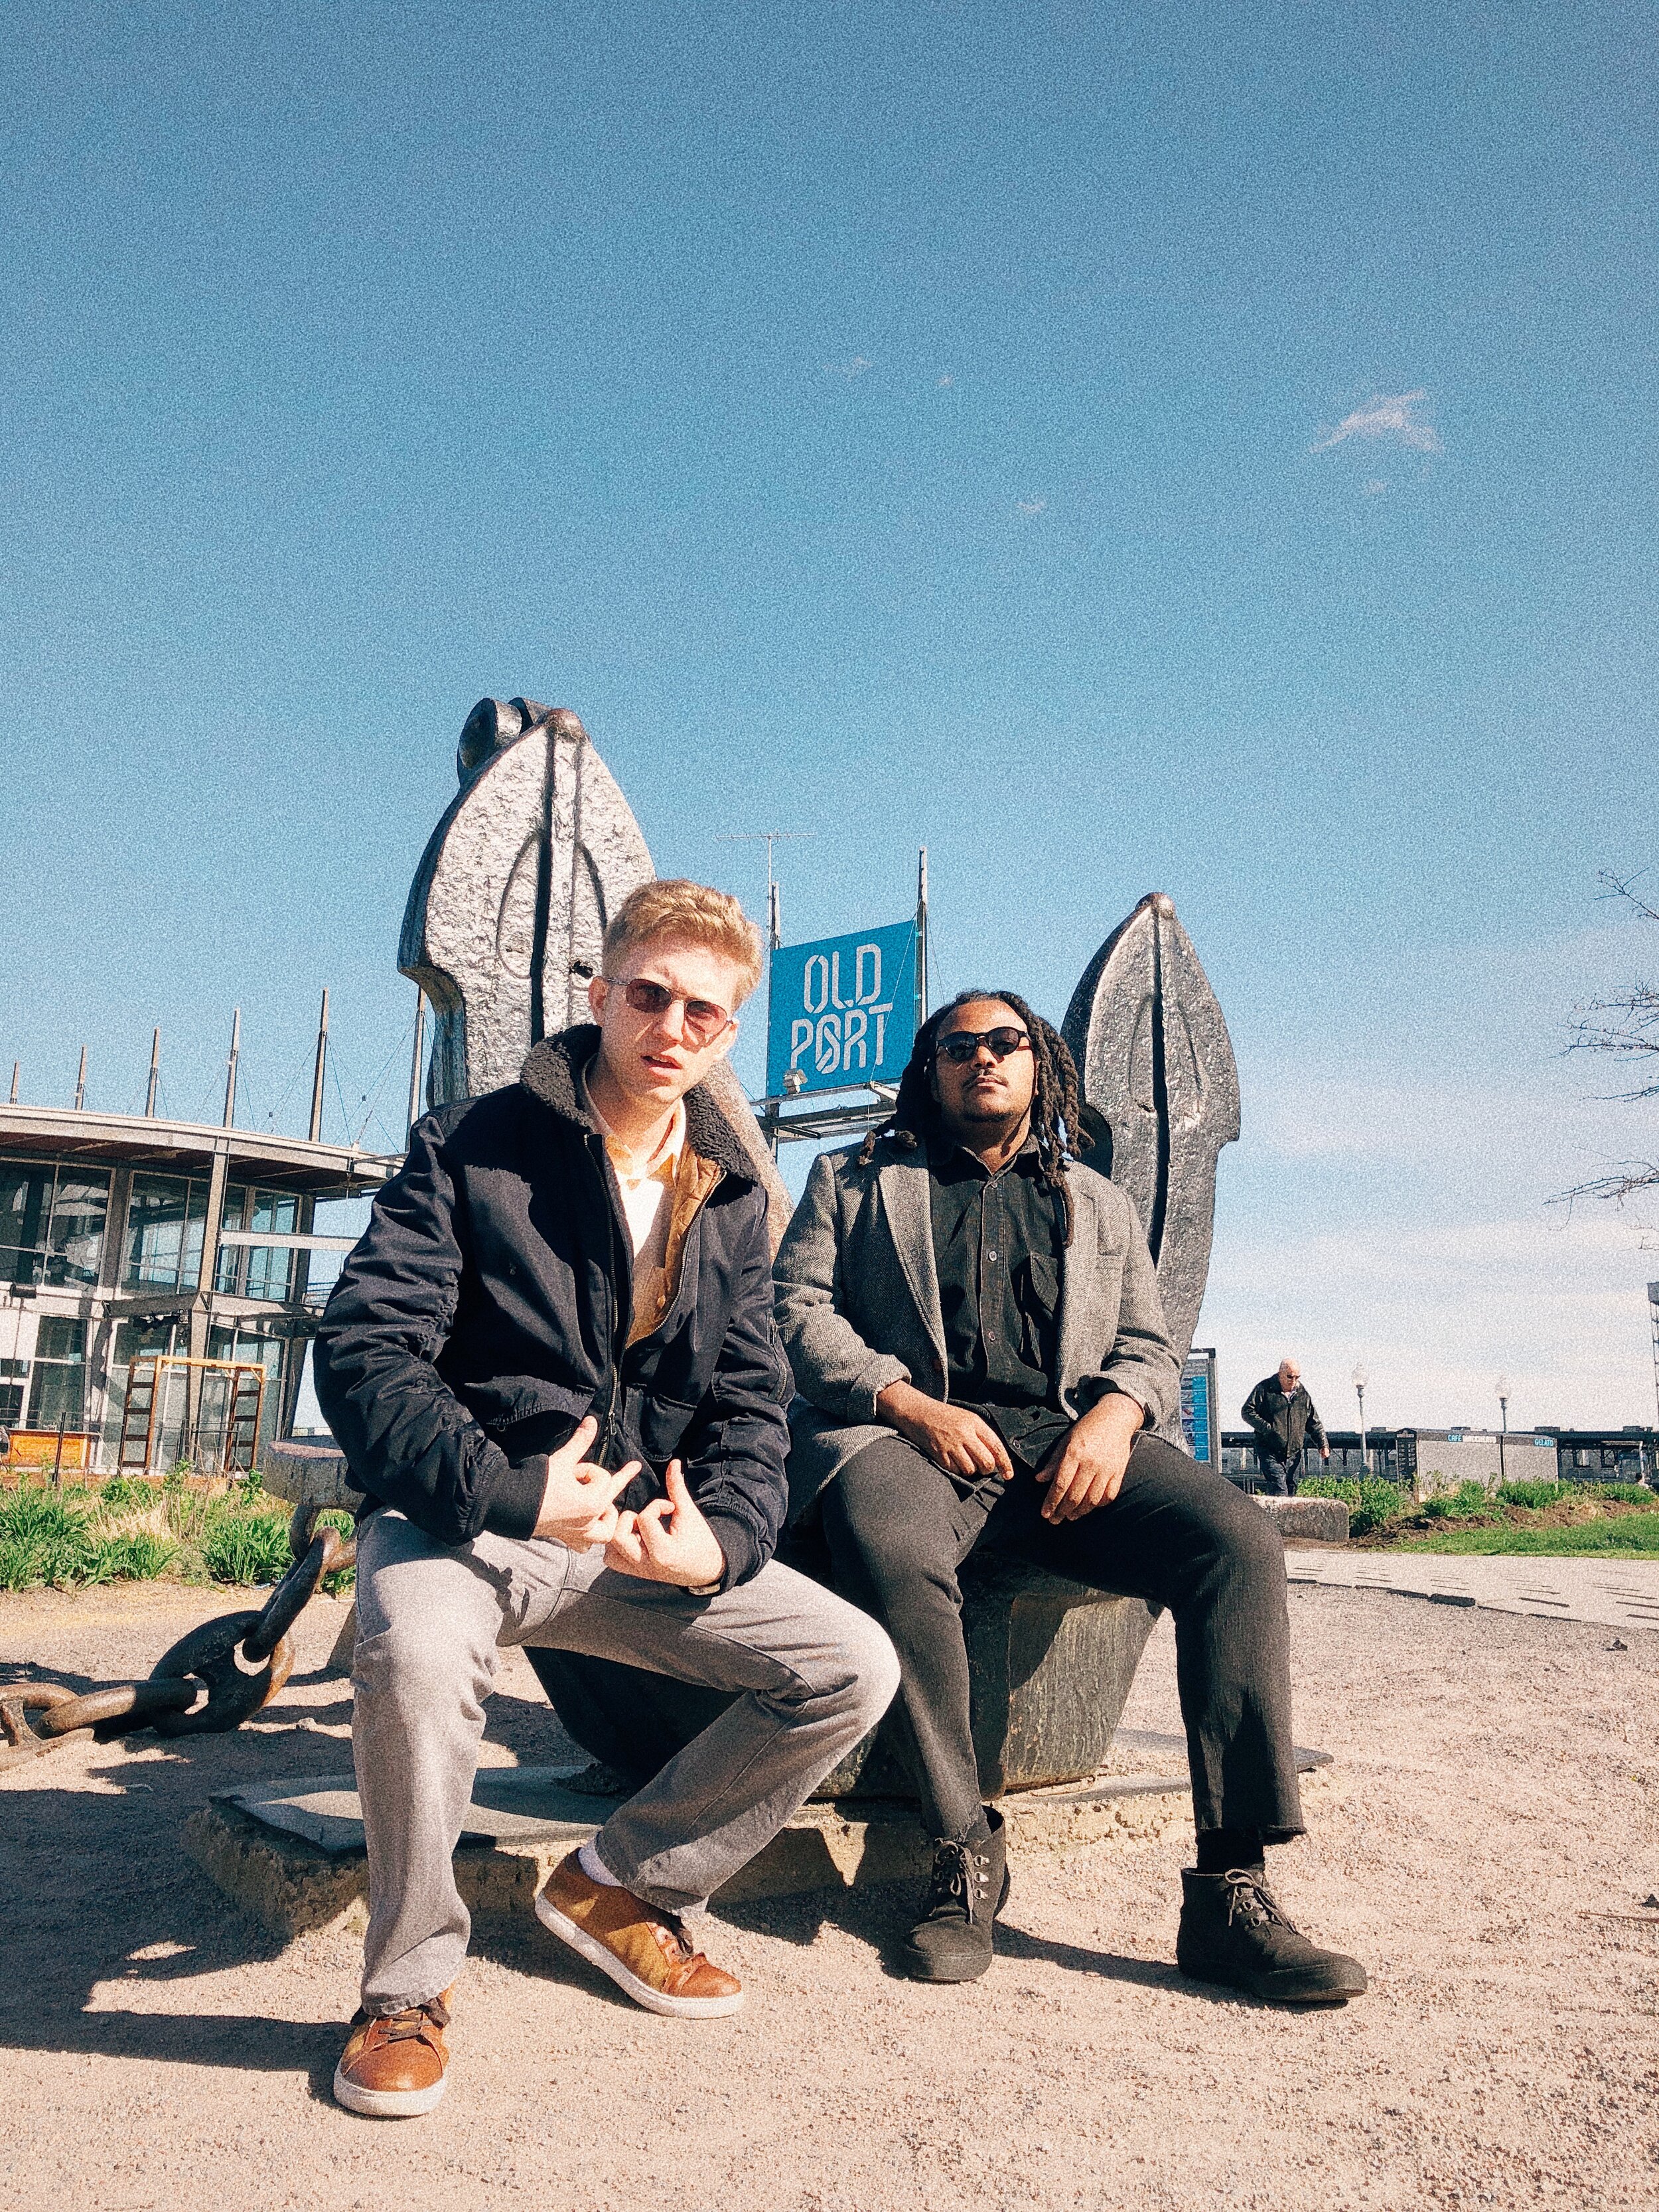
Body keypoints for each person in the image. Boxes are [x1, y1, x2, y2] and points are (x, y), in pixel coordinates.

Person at [313, 880, 899, 2118]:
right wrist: (511, 1489)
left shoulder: (732, 1201)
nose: (672, 1026)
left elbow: (752, 1409)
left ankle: (622, 1884)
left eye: (703, 1010)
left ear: (728, 1032)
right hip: (468, 1522)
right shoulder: (469, 1147)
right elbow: (367, 1349)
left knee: (850, 1664)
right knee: (415, 1651)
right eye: (650, 994)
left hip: (631, 1542)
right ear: (600, 994)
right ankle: (406, 1988)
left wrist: (719, 1544)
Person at [774, 989, 1366, 2004]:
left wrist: (1117, 1416)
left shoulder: (1099, 1201)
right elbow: (797, 1309)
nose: (984, 1058)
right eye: (959, 1046)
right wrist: (907, 1404)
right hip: (913, 1441)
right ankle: (963, 1847)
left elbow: (1146, 1344)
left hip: (1068, 1449)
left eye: (1005, 1042)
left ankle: (1231, 1890)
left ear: (1039, 1064)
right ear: (929, 1071)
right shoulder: (855, 1178)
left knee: (1235, 1539)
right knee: (883, 1531)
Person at [1242, 1359, 1330, 1496]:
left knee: (1291, 1489)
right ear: (1280, 1374)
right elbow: (1247, 1411)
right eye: (1290, 1376)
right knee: (1279, 1488)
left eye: (1297, 1377)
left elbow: (1314, 1422)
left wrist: (1323, 1444)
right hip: (1269, 1450)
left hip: (1294, 1453)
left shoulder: (1303, 1395)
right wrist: (1268, 1429)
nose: (1293, 1381)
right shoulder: (1264, 1389)